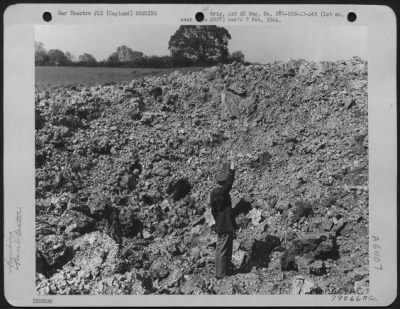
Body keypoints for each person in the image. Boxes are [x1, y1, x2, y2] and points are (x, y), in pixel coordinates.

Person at [210, 151, 238, 279]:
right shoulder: (223, 192)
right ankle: (221, 274)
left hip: (220, 225)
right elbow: (230, 182)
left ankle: (222, 271)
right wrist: (233, 164)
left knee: (221, 249)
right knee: (223, 250)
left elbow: (213, 211)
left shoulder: (214, 193)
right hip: (226, 225)